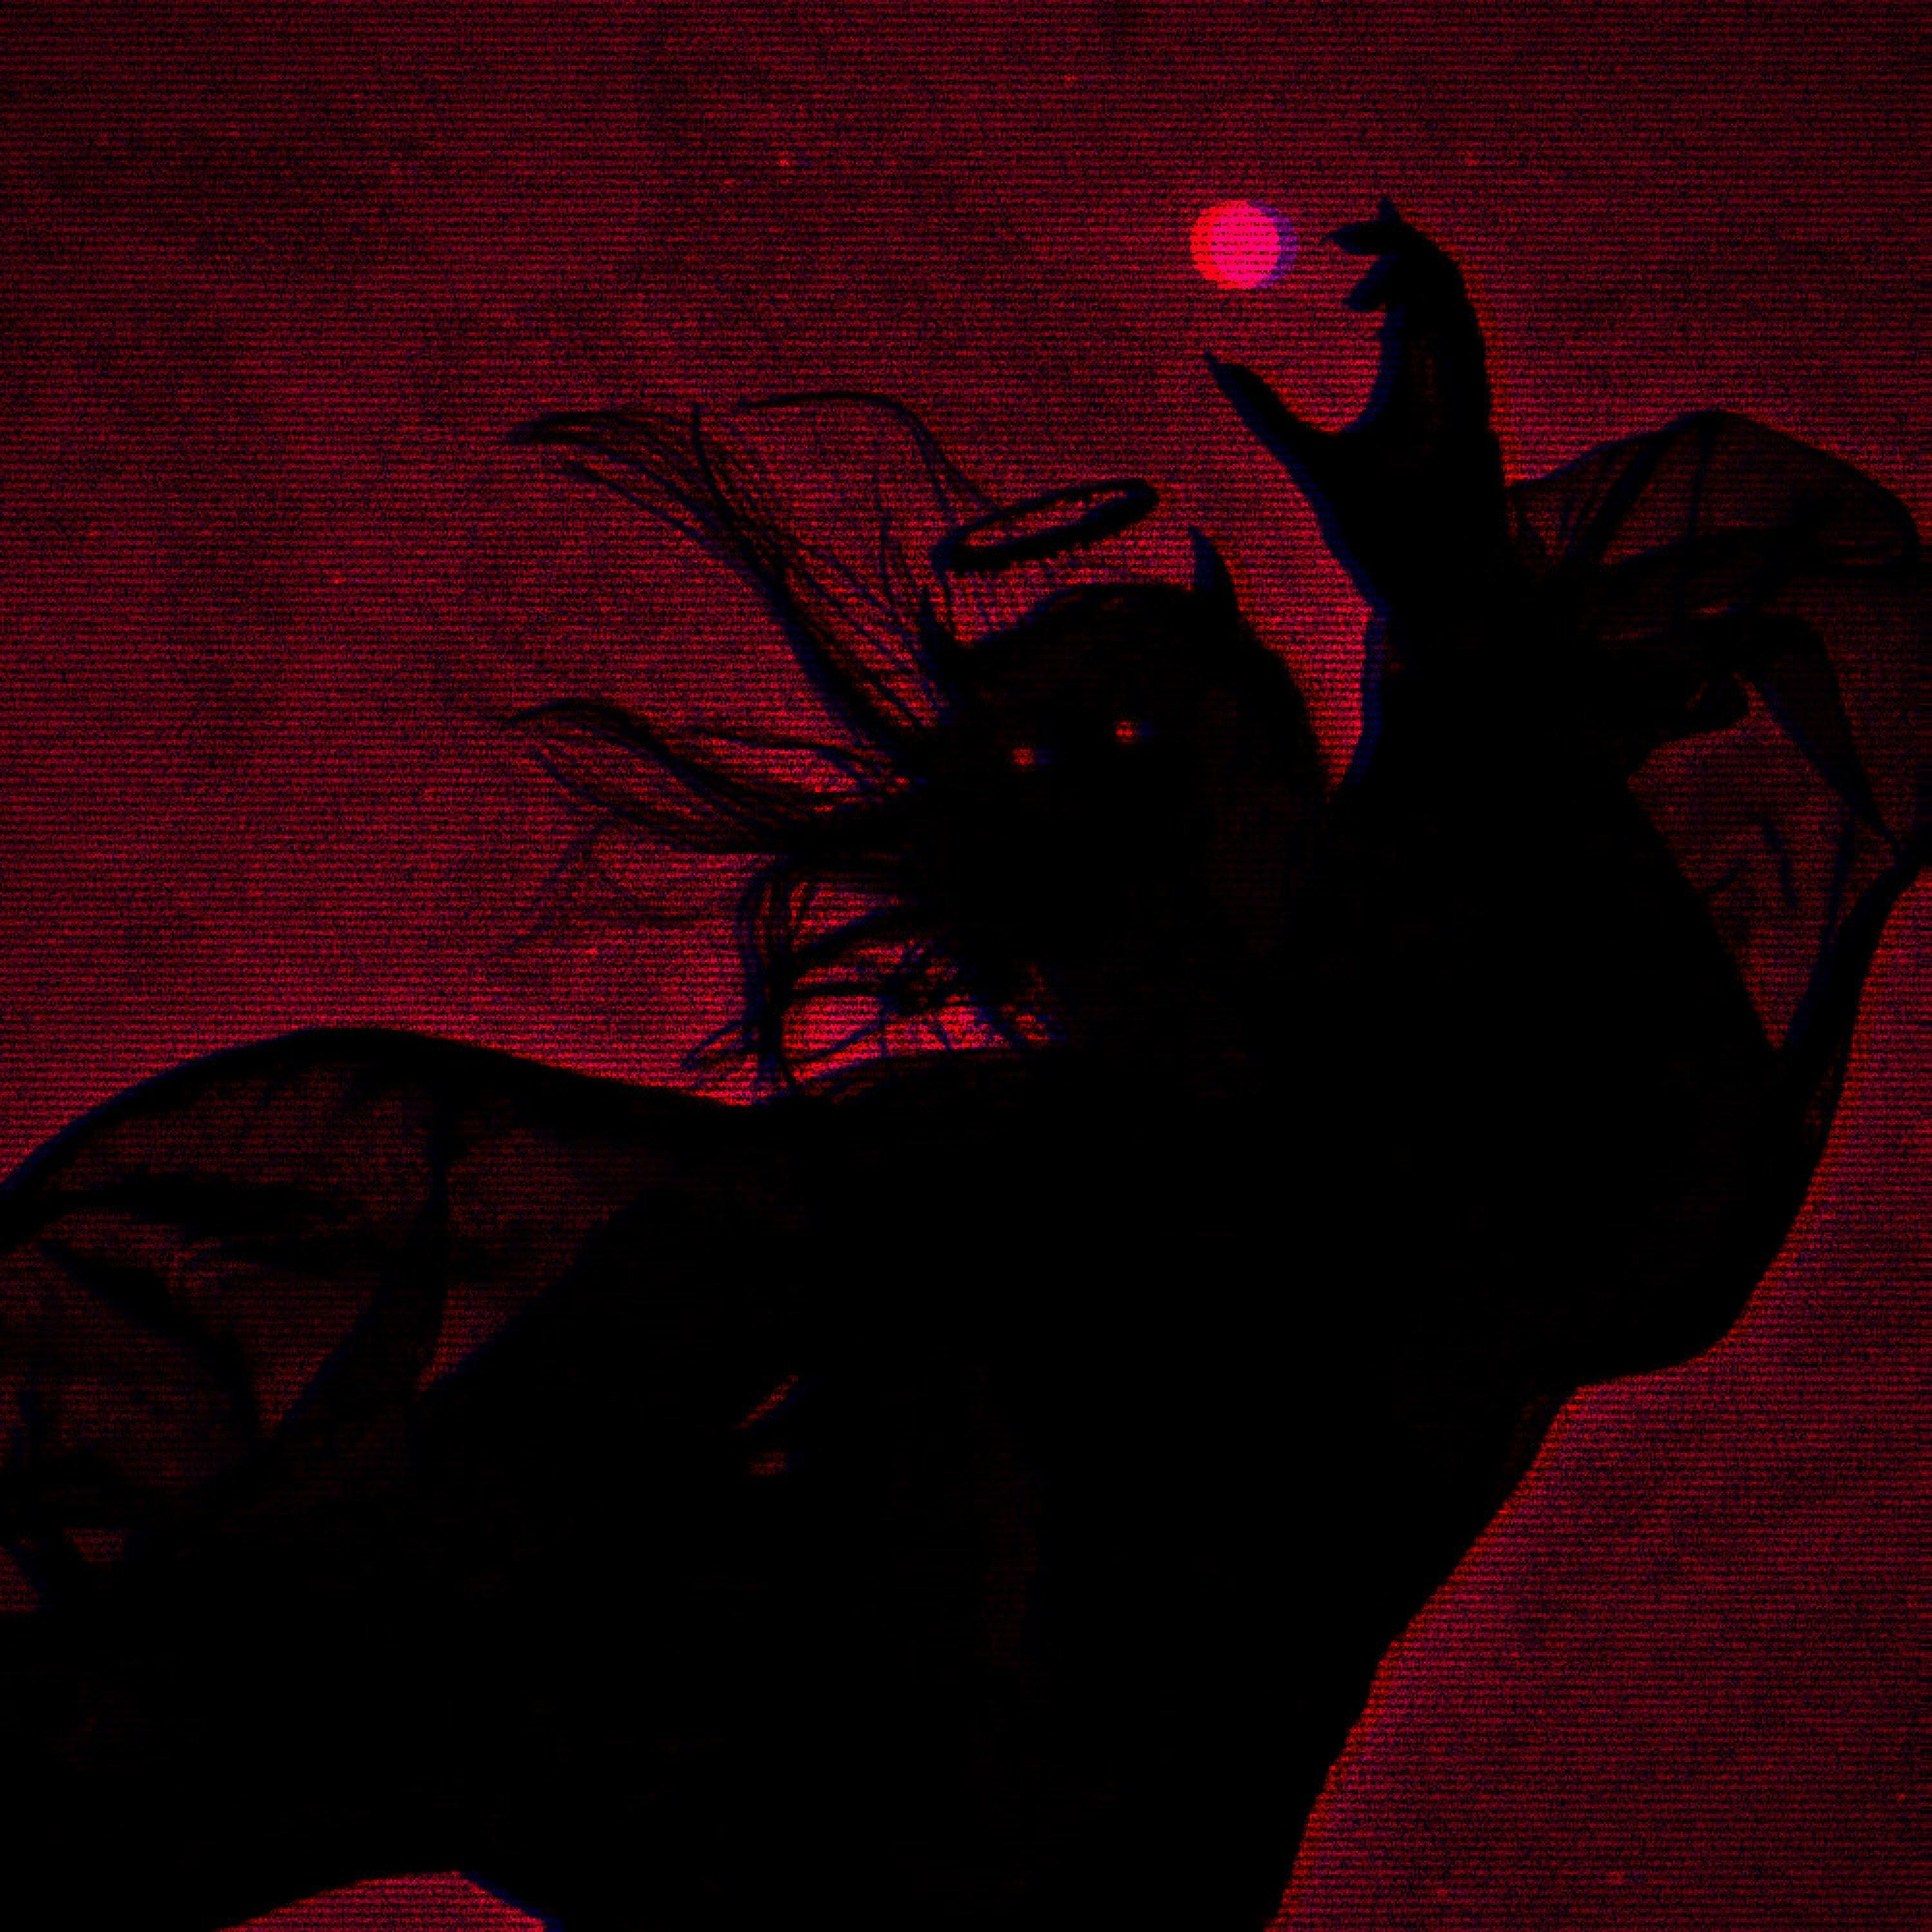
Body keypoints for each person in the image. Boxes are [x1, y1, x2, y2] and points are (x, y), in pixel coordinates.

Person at [0, 204, 1921, 1932]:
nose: (1128, 781)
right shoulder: (954, 1180)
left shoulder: (1410, 1166)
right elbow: (455, 1524)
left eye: (1154, 730)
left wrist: (1452, 594)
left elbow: (1575, 1099)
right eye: (1072, 760)